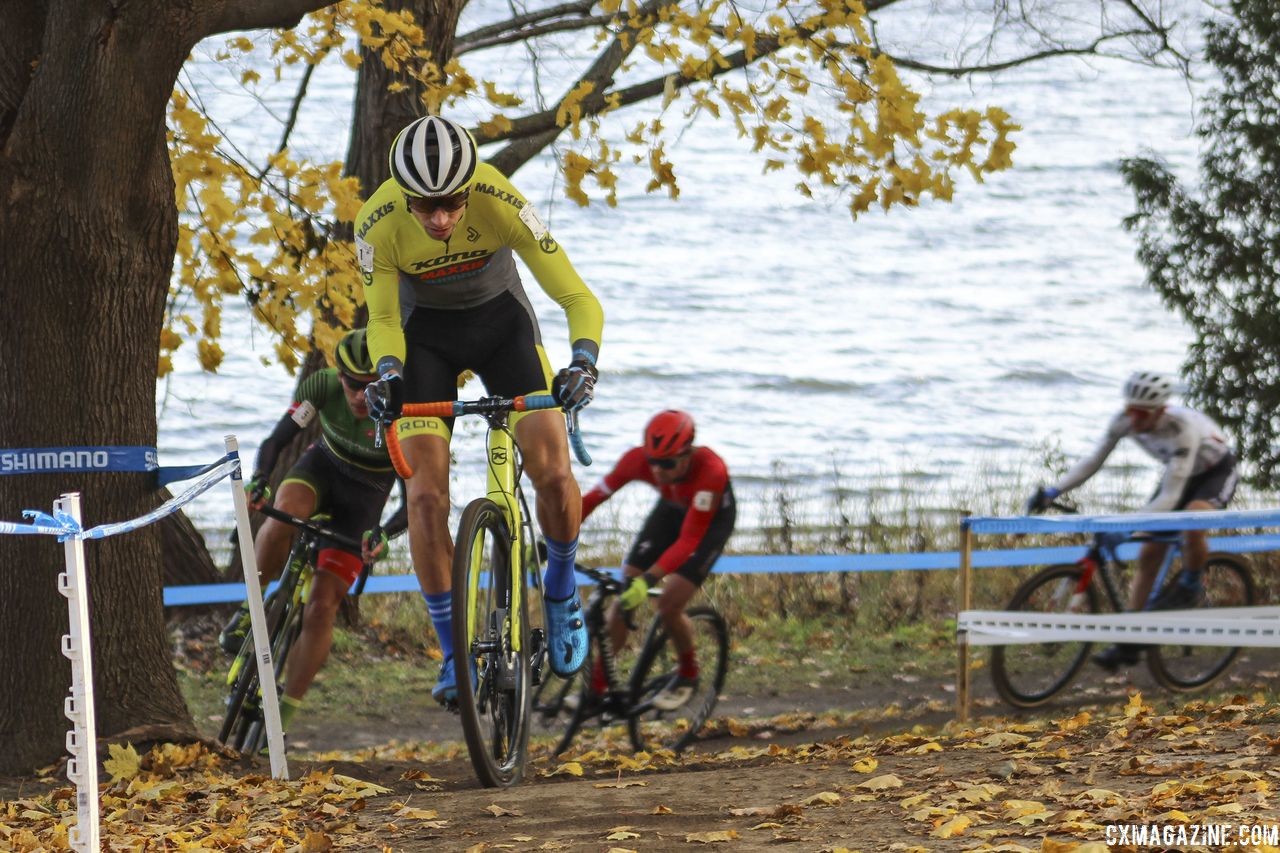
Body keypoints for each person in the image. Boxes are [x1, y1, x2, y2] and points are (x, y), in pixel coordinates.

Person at [354, 114, 604, 703]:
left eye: (451, 203)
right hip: (424, 341)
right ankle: (452, 653)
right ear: (402, 195)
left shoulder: (499, 199)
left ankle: (563, 590)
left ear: (470, 187)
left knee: (553, 469)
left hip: (501, 327)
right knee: (423, 497)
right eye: (425, 206)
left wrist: (582, 362)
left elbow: (575, 295)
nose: (440, 219)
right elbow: (385, 320)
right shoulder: (375, 223)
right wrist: (388, 373)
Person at [219, 328, 407, 736]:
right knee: (281, 515)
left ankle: (285, 714)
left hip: (365, 499)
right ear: (338, 378)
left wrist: (386, 534)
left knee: (322, 606)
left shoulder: (402, 412)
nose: (360, 396)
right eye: (352, 385)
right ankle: (247, 614)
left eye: (370, 387)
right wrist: (261, 479)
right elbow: (277, 439)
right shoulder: (319, 387)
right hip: (321, 469)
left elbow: (415, 497)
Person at [1026, 371, 1239, 670]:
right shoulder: (1124, 420)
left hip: (1214, 472)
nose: (1134, 420)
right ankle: (1130, 637)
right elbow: (1093, 462)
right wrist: (1054, 490)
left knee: (1193, 520)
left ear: (1160, 411)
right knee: (1150, 553)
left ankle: (1191, 583)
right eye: (1130, 410)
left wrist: (1126, 528)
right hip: (1177, 473)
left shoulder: (1182, 429)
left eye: (1141, 414)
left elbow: (1169, 497)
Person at [580, 410, 735, 709]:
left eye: (667, 462)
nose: (658, 470)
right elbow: (592, 500)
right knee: (625, 594)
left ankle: (688, 673)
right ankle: (597, 689)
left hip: (709, 523)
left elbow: (689, 540)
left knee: (668, 604)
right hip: (672, 508)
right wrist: (555, 541)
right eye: (653, 461)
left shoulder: (710, 470)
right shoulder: (637, 460)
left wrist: (649, 580)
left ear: (688, 453)